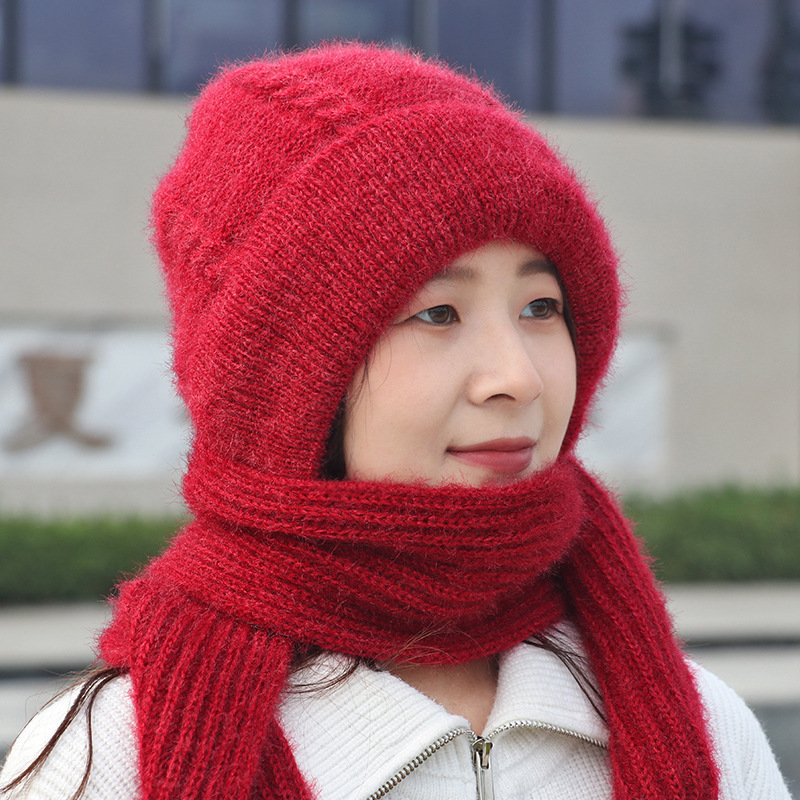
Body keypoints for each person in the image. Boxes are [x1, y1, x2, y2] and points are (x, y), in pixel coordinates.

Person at [0, 43, 790, 800]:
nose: (517, 377)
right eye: (438, 312)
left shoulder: (698, 730)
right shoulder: (112, 761)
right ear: (289, 384)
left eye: (540, 306)